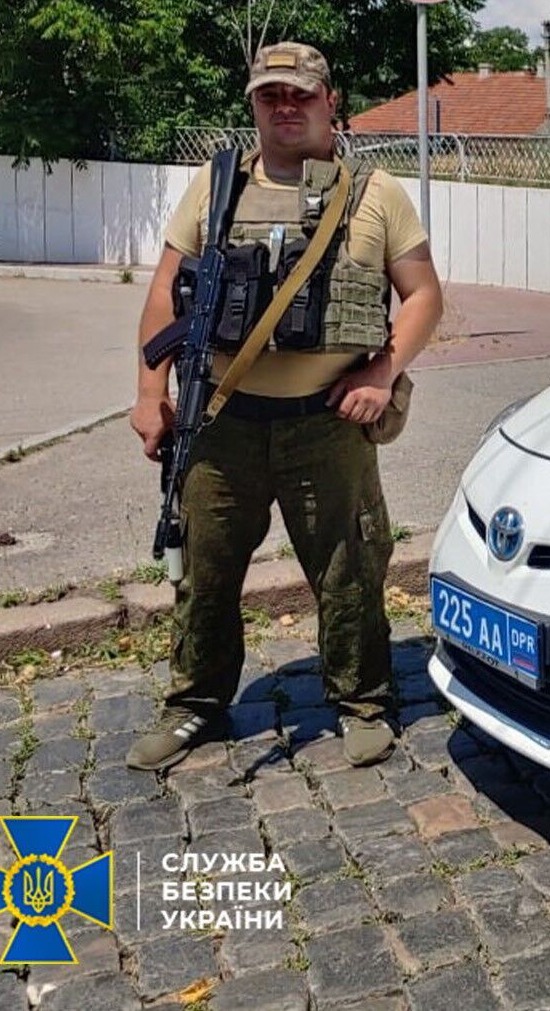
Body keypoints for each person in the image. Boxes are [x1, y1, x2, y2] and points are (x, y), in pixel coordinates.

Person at [127, 42, 445, 772]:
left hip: (327, 424)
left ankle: (363, 699)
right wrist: (151, 395)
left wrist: (382, 368)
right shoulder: (216, 188)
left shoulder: (375, 194)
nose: (286, 107)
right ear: (254, 105)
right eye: (271, 96)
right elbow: (162, 296)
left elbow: (424, 295)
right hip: (221, 423)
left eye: (301, 94)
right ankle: (195, 703)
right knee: (203, 573)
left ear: (331, 101)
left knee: (350, 566)